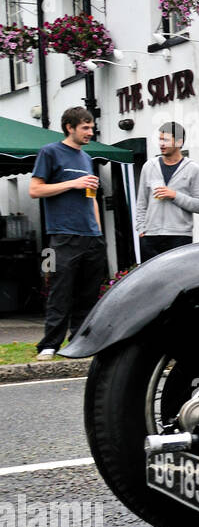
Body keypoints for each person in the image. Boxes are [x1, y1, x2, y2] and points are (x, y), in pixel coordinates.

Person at [29, 106, 107, 359]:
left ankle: (79, 343)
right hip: (63, 235)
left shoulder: (86, 158)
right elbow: (35, 190)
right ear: (69, 127)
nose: (90, 132)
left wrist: (98, 232)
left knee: (88, 294)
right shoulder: (50, 152)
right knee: (60, 291)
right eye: (85, 128)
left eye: (91, 128)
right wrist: (73, 183)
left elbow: (91, 198)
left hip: (91, 236)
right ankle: (49, 345)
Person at [135, 122, 199, 261]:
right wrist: (141, 229)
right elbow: (141, 202)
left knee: (177, 280)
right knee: (151, 281)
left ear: (179, 142)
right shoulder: (149, 166)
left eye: (166, 140)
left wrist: (175, 195)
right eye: (160, 139)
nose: (161, 143)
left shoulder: (193, 169)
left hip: (179, 237)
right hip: (150, 237)